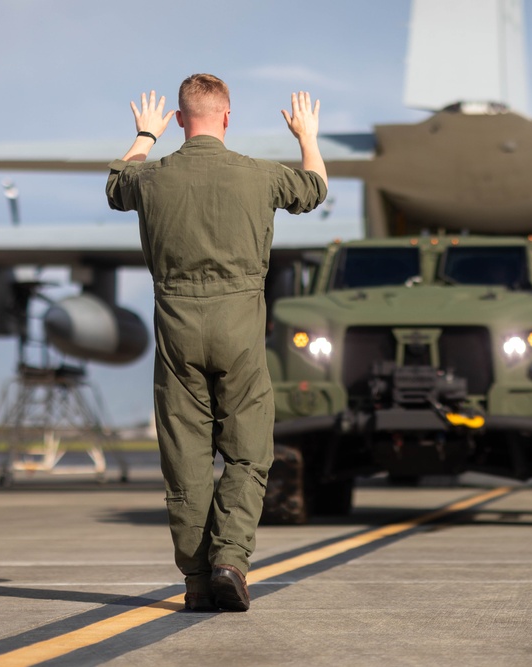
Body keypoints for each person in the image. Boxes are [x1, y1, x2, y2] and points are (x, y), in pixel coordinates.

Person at [106, 74, 327, 612]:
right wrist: (307, 138)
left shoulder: (152, 177)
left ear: (180, 119)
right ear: (227, 117)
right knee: (249, 454)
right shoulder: (260, 176)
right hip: (241, 332)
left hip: (177, 329)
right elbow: (315, 189)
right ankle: (231, 559)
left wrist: (144, 135)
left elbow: (116, 185)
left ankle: (198, 582)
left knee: (185, 460)